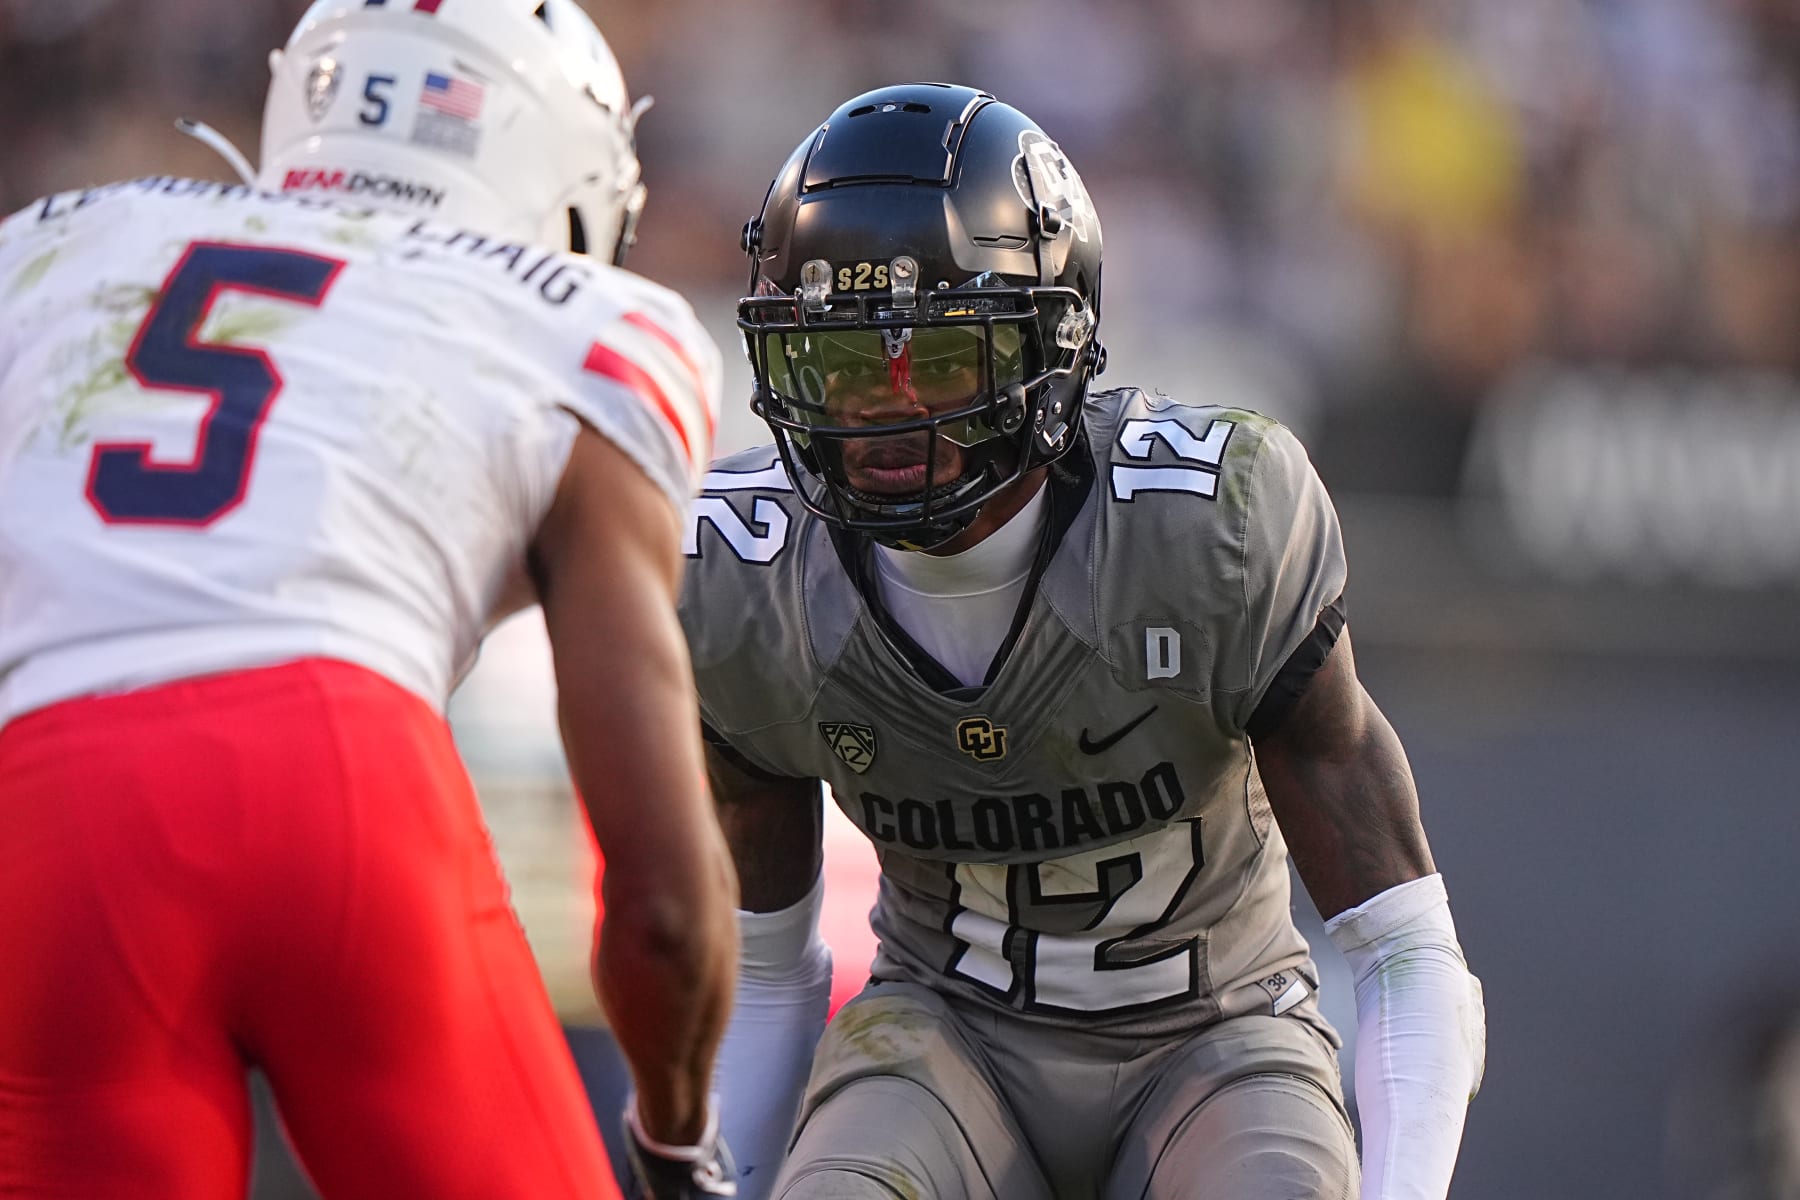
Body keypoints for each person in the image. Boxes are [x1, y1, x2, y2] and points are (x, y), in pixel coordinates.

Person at [681, 83, 1486, 1200]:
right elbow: (766, 974)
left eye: (942, 359)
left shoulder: (1205, 528)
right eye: (845, 368)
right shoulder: (744, 582)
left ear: (1050, 343)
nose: (884, 417)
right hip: (942, 1046)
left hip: (1217, 1040)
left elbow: (1404, 945)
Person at [0, 2, 739, 1198]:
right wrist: (676, 1136)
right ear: (568, 178)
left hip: (49, 820)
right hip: (339, 784)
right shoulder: (584, 322)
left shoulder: (54, 243)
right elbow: (661, 900)